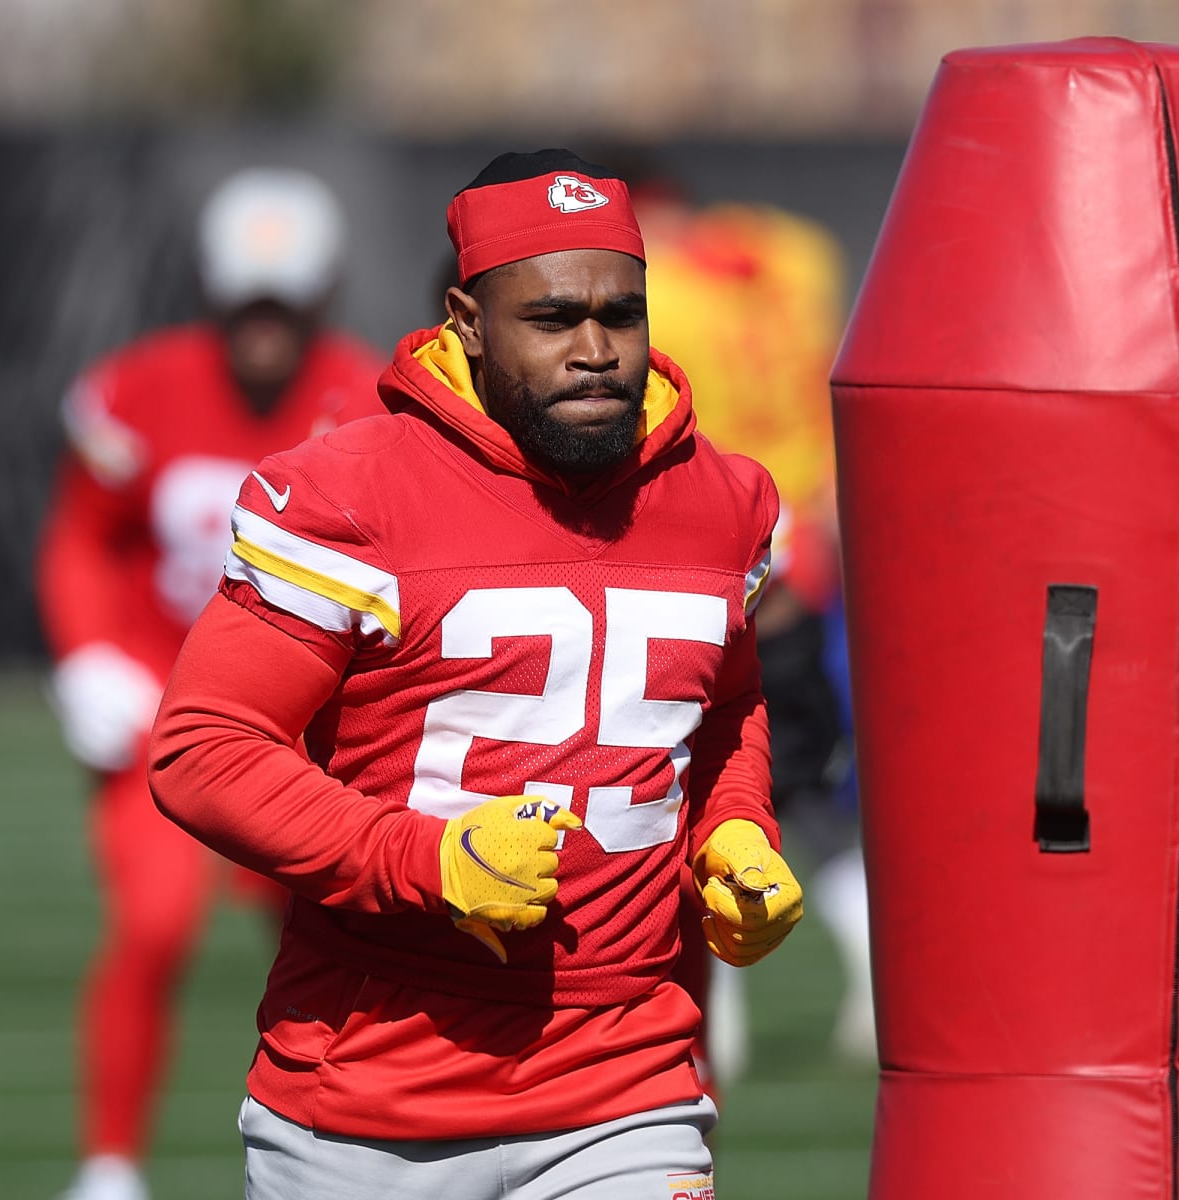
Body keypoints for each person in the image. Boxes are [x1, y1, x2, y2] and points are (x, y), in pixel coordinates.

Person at [147, 149, 804, 1197]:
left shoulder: (723, 500)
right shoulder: (350, 495)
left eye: (621, 315)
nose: (596, 351)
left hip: (627, 1087)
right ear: (467, 321)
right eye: (552, 321)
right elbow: (204, 749)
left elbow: (721, 705)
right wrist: (426, 859)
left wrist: (735, 829)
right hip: (370, 1100)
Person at [37, 167, 385, 1200]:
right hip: (169, 699)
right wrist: (86, 652)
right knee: (150, 926)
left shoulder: (371, 398)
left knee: (334, 942)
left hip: (312, 721)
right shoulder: (141, 386)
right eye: (246, 301)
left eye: (282, 301)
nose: (262, 325)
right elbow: (81, 541)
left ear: (321, 294)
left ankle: (349, 1150)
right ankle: (109, 1168)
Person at [632, 171, 873, 1074]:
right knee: (805, 798)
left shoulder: (662, 293)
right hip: (808, 552)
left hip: (719, 550)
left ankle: (712, 1025)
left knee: (692, 803)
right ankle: (855, 989)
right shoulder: (793, 258)